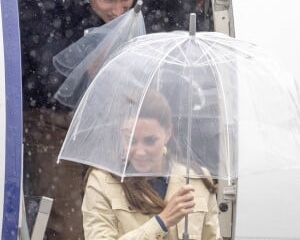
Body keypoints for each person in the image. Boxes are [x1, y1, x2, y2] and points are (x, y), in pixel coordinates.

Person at [21, 0, 137, 239]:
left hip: (113, 121)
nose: (119, 10)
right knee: (70, 224)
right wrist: (88, 67)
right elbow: (41, 74)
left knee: (122, 213)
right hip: (52, 121)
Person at [82, 90, 222, 239]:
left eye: (150, 141)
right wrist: (161, 223)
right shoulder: (102, 182)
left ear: (168, 133)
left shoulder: (196, 178)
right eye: (131, 140)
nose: (140, 151)